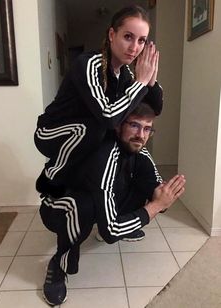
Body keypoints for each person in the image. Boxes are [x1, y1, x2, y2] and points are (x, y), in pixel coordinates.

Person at [39, 102, 186, 306]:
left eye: (147, 129)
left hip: (95, 195)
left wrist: (161, 195)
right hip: (58, 205)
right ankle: (59, 265)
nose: (140, 135)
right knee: (84, 207)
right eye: (134, 125)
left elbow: (157, 189)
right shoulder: (105, 155)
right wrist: (155, 206)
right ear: (118, 126)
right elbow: (110, 232)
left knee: (139, 180)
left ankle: (112, 219)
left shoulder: (139, 152)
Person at [34, 5, 163, 198]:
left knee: (117, 135)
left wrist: (150, 82)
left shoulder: (125, 75)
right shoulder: (88, 64)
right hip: (51, 133)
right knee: (99, 128)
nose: (135, 47)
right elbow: (109, 118)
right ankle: (50, 177)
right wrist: (141, 82)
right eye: (128, 37)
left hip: (85, 135)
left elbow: (153, 110)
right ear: (112, 34)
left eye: (141, 41)